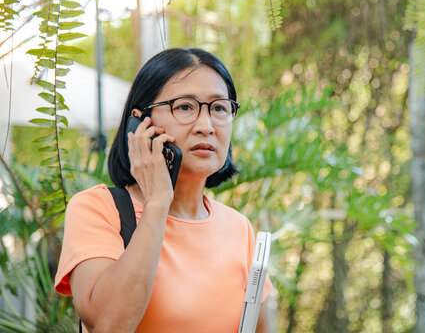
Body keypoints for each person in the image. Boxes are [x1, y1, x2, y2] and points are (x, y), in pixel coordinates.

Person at [54, 48, 272, 332]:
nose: (206, 126)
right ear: (140, 123)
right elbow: (108, 324)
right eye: (184, 107)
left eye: (219, 108)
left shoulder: (238, 228)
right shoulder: (98, 209)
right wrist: (157, 202)